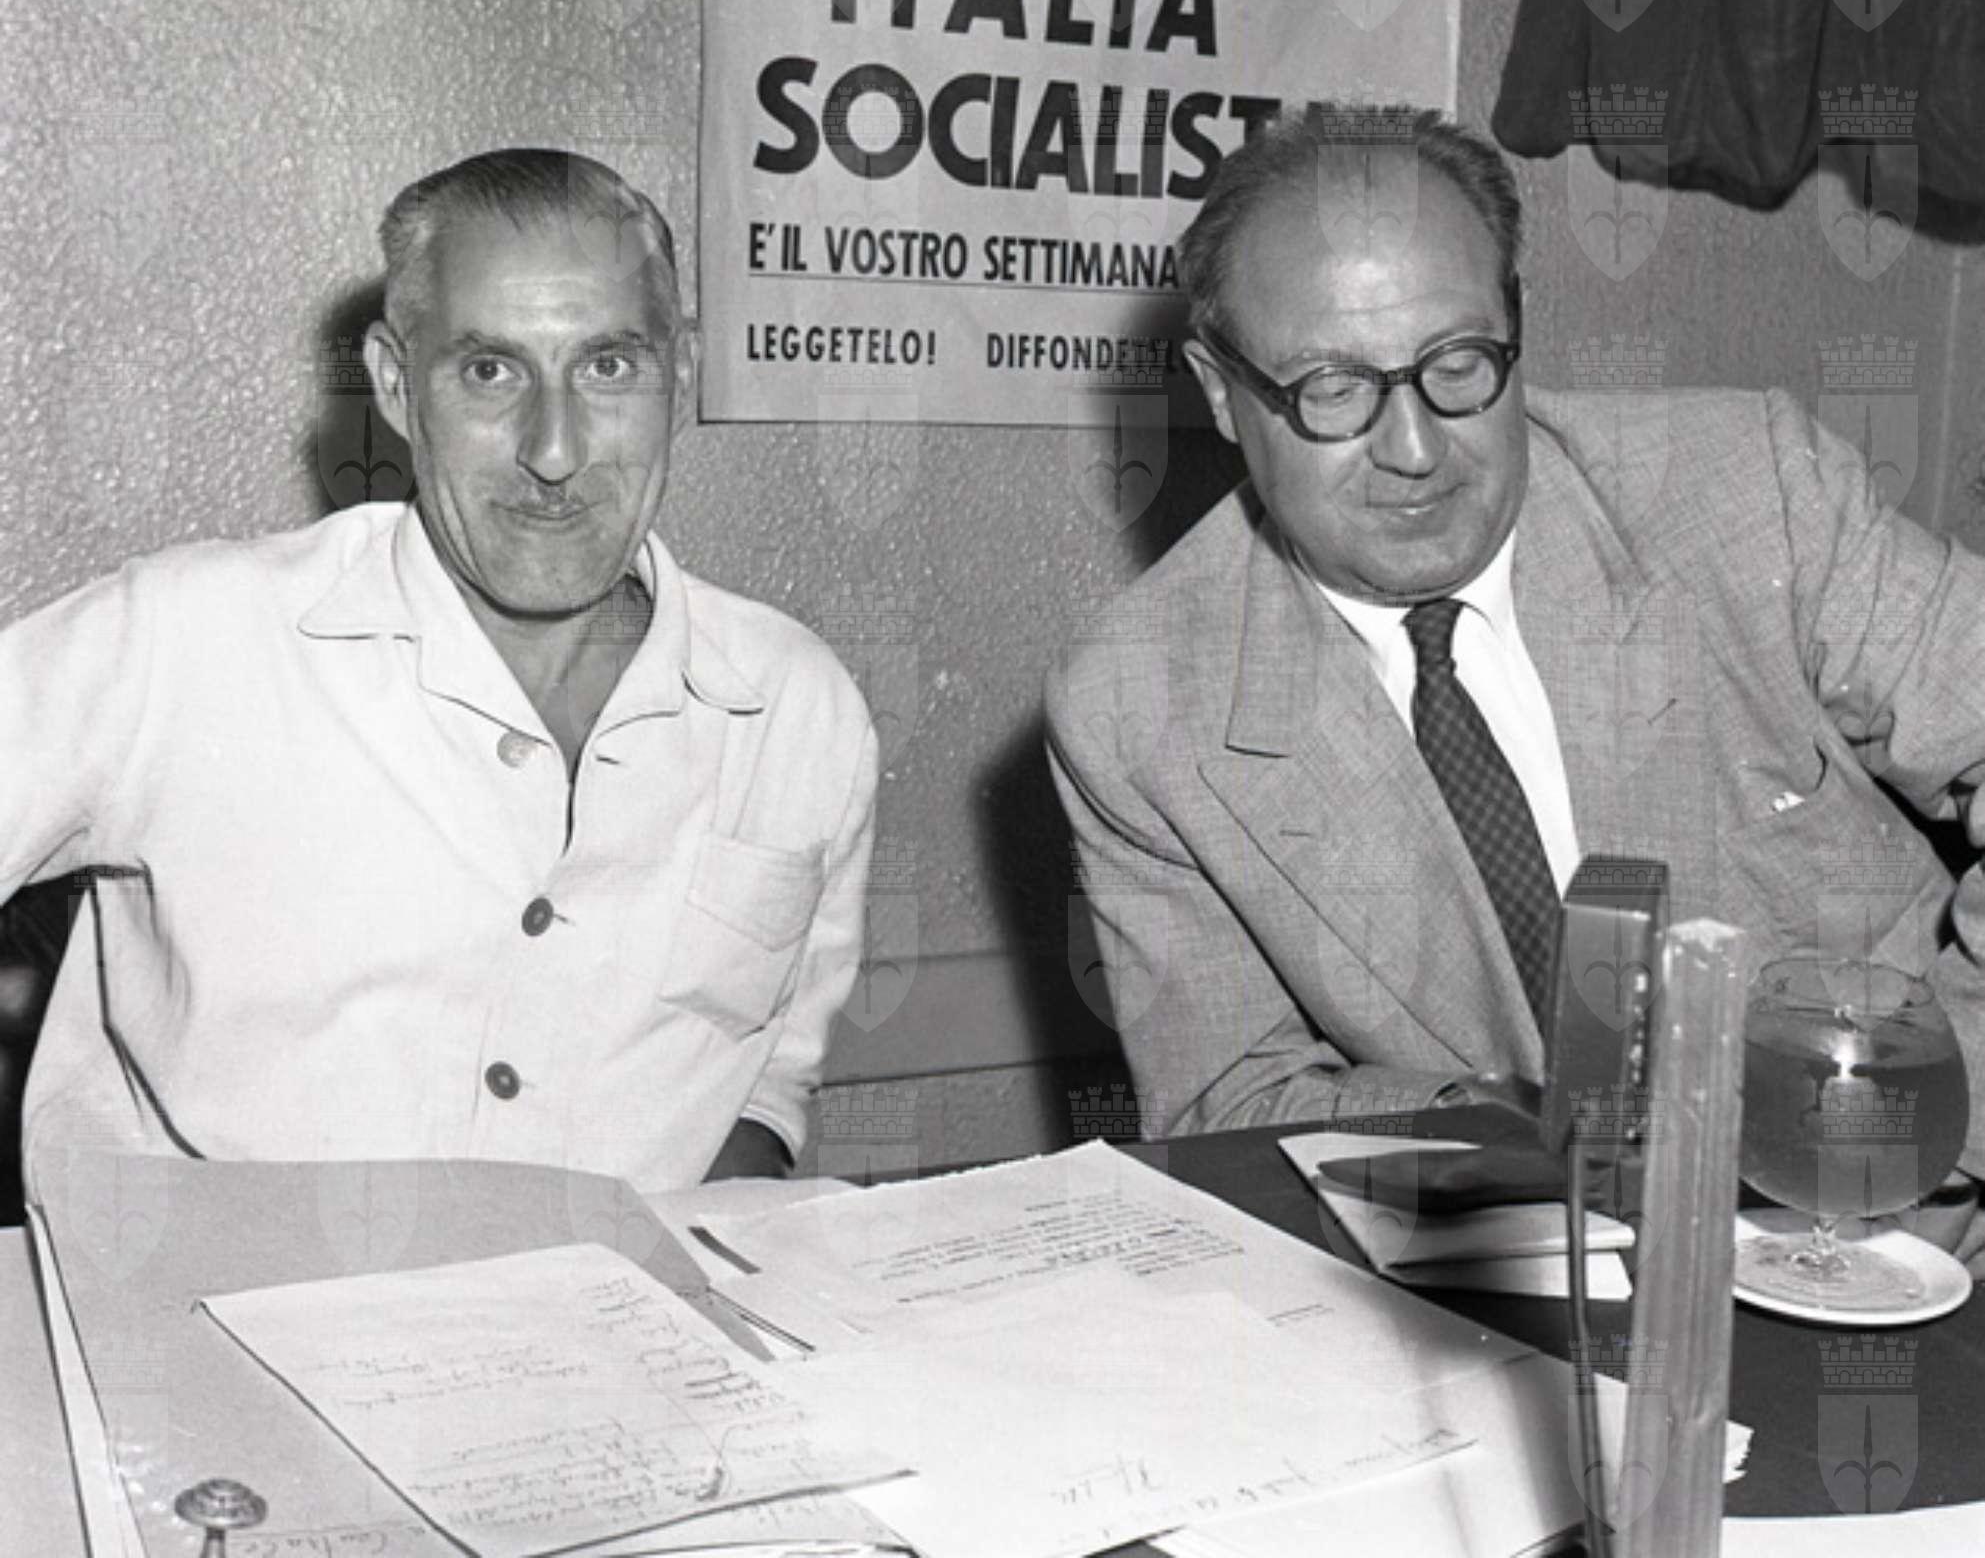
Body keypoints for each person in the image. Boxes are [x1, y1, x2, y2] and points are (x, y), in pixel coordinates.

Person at [1046, 104, 1985, 1246]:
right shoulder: (1134, 708)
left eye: (1458, 364)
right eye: (1331, 389)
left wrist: (1922, 1145)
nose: (1413, 450)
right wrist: (1531, 1142)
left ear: (1515, 326)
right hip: (1521, 1270)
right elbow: (1226, 1106)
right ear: (1217, 392)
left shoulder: (1750, 490)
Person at [0, 149, 875, 1192]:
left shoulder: (796, 707)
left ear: (679, 374)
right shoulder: (177, 643)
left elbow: (766, 1082)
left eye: (607, 367)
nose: (554, 452)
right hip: (205, 1290)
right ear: (395, 383)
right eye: (490, 371)